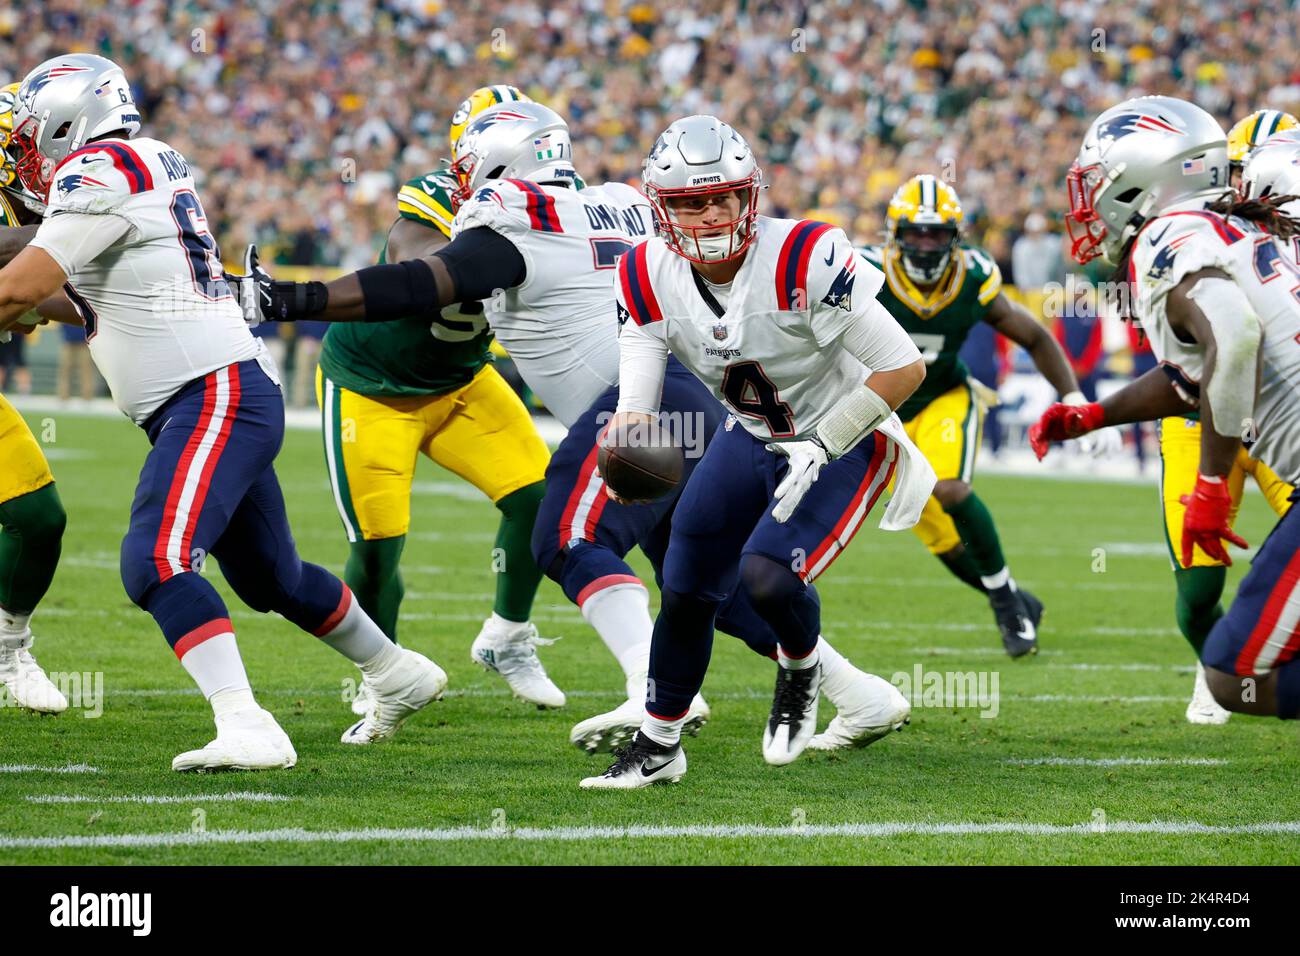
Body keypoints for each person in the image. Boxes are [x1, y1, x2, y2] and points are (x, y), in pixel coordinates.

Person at [234, 103, 912, 758]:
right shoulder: (612, 199)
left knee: (568, 537)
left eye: (468, 163)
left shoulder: (518, 220)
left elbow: (421, 283)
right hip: (694, 405)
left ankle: (648, 693)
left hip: (639, 407)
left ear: (496, 163)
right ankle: (861, 695)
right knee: (714, 589)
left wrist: (294, 299)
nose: (460, 178)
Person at [0, 53, 446, 770]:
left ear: (66, 121)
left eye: (28, 134)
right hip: (220, 391)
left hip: (210, 394)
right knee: (272, 576)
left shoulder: (102, 168)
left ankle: (247, 724)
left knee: (156, 560)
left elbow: (19, 285)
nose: (22, 152)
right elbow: (83, 292)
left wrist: (14, 294)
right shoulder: (136, 163)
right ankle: (396, 671)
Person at [582, 115, 934, 788]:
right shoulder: (646, 272)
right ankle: (659, 744)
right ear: (663, 207)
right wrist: (624, 445)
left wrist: (824, 443)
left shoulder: (804, 255)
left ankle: (801, 671)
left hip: (846, 436)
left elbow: (903, 368)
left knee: (767, 576)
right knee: (684, 583)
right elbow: (637, 396)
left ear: (751, 196)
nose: (711, 214)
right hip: (753, 436)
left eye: (724, 197)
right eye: (691, 201)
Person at [1031, 94, 1300, 727]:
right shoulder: (1231, 226)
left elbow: (1234, 338)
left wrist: (1211, 482)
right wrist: (1094, 415)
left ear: (1143, 177)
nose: (1089, 202)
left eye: (1097, 183)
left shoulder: (1168, 235)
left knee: (1237, 675)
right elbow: (1194, 376)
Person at [314, 84, 556, 715]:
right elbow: (412, 261)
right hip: (373, 387)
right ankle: (385, 675)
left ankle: (509, 635)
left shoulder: (553, 205)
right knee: (376, 545)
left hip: (462, 380)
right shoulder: (439, 198)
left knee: (539, 495)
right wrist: (474, 264)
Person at [860, 175, 1085, 656]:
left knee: (951, 490)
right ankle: (1014, 597)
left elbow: (1037, 337)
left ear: (954, 236)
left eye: (936, 233)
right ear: (895, 234)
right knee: (940, 537)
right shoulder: (864, 273)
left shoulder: (973, 275)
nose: (924, 244)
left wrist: (1072, 396)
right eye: (915, 233)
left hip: (945, 396)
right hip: (881, 411)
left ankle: (1005, 606)